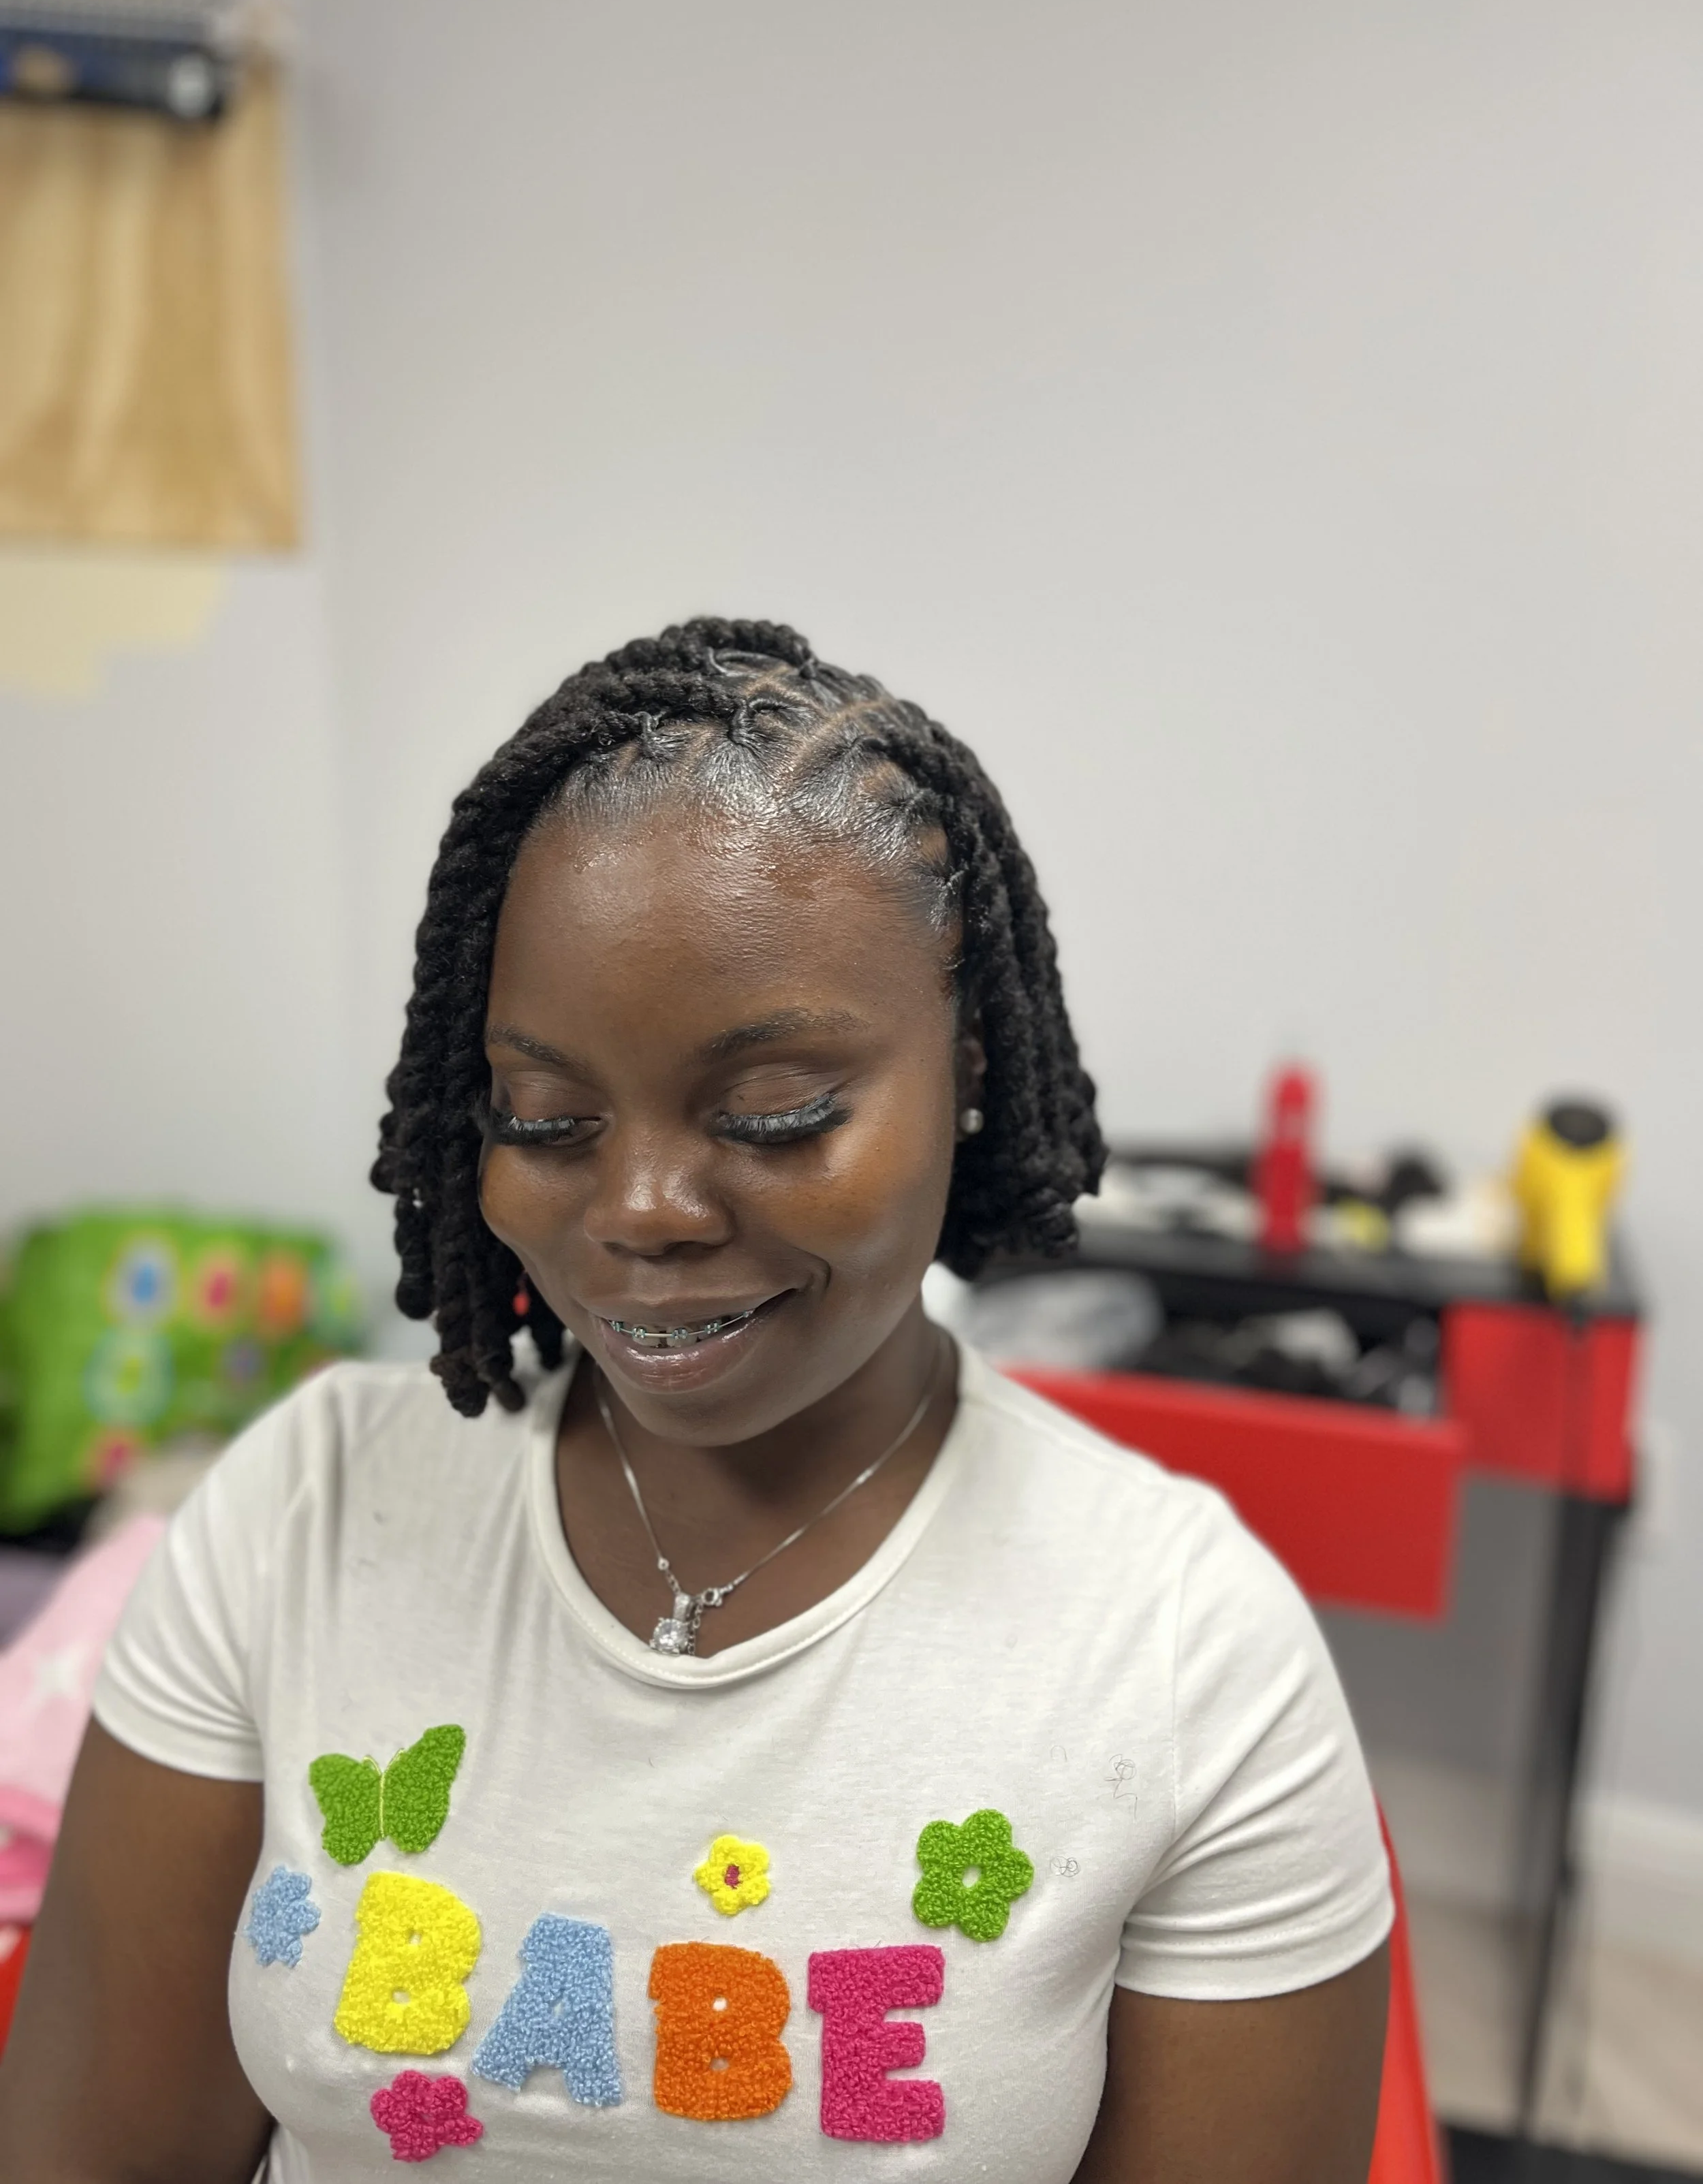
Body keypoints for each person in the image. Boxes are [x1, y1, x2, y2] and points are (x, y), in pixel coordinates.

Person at [0, 618, 1391, 2183]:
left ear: (971, 1066)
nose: (642, 1207)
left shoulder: (1183, 1648)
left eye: (774, 1111)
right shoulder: (303, 1513)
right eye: (546, 1115)